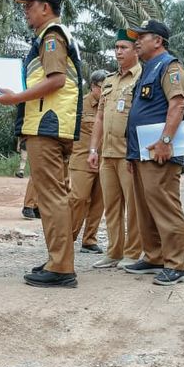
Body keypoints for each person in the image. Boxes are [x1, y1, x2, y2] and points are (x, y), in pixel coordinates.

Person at [0, 0, 83, 288]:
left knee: (52, 197)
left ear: (46, 7)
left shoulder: (52, 37)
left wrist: (16, 98)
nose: (25, 10)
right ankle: (57, 259)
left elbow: (56, 80)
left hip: (48, 124)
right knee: (53, 195)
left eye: (29, 5)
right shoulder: (52, 36)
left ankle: (61, 267)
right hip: (50, 124)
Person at [121, 20, 184, 286]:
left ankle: (175, 264)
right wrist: (132, 154)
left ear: (158, 40)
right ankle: (154, 256)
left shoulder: (170, 67)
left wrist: (165, 140)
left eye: (142, 36)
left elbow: (178, 105)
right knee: (145, 207)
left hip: (160, 150)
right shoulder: (147, 69)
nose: (137, 41)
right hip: (142, 151)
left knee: (164, 205)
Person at [87, 30, 143, 269]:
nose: (119, 52)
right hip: (107, 154)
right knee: (112, 206)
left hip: (128, 153)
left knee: (134, 205)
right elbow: (99, 117)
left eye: (124, 47)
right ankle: (114, 251)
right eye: (116, 47)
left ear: (136, 50)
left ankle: (133, 252)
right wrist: (93, 149)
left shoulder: (142, 77)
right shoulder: (109, 80)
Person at [68, 70, 107, 255]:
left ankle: (89, 240)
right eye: (103, 87)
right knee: (78, 198)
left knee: (99, 203)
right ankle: (68, 237)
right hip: (82, 159)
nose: (106, 91)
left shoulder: (112, 106)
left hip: (105, 161)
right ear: (93, 86)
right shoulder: (79, 105)